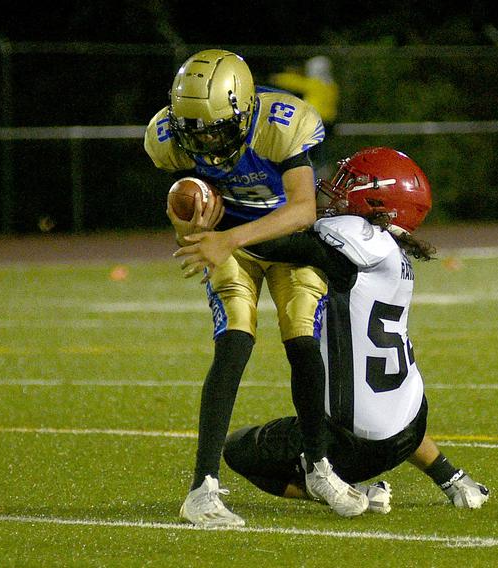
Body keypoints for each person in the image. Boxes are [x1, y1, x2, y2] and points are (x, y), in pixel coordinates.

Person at [182, 147, 489, 512]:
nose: (332, 190)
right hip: (410, 426)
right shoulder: (397, 259)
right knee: (386, 396)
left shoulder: (356, 235)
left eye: (349, 184)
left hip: (352, 444)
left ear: (379, 202)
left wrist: (219, 228)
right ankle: (452, 477)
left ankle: (342, 488)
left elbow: (279, 245)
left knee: (239, 449)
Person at [144, 49, 368, 527]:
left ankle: (317, 466)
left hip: (282, 239)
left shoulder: (282, 121)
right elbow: (190, 211)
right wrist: (188, 224)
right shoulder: (168, 135)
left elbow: (304, 209)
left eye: (215, 128)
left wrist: (230, 238)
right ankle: (202, 489)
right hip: (233, 245)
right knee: (235, 340)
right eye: (194, 130)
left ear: (245, 108)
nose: (204, 139)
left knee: (303, 341)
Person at [269, 55, 339, 178]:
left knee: (311, 150)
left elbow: (294, 82)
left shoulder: (314, 84)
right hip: (329, 122)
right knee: (320, 150)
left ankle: (314, 174)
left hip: (315, 121)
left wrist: (276, 77)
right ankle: (322, 170)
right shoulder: (332, 86)